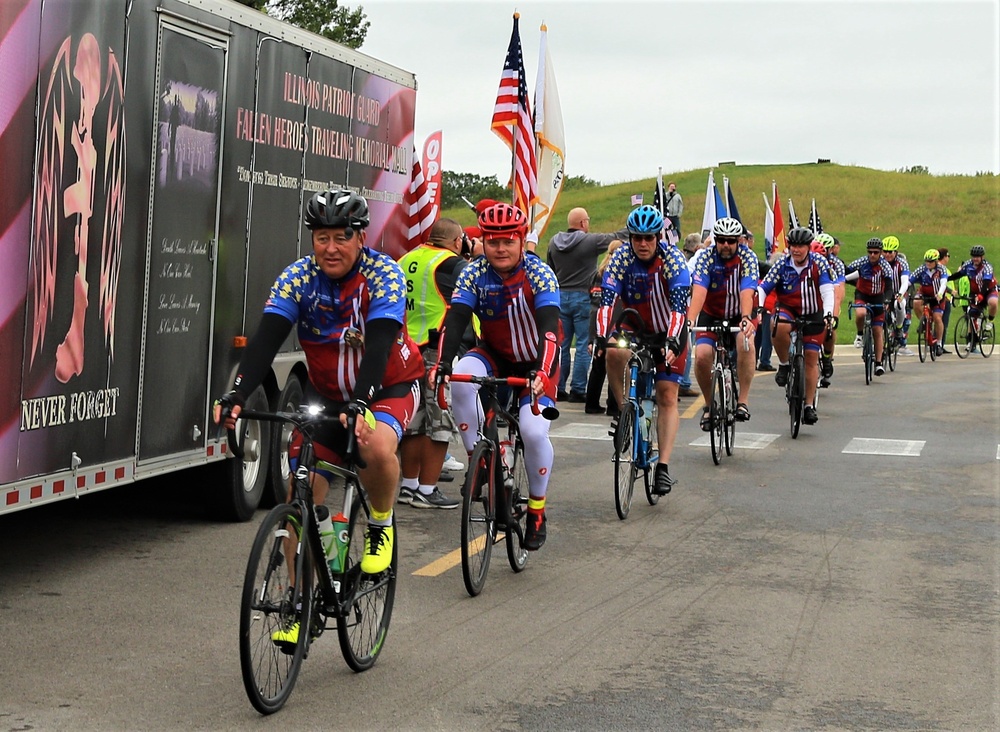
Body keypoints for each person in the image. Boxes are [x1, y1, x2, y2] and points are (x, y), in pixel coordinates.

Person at [214, 189, 424, 586]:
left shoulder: (384, 275)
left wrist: (362, 402)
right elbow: (266, 341)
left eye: (342, 237)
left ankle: (380, 524)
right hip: (327, 396)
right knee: (300, 495)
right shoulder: (298, 278)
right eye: (321, 237)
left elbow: (378, 347)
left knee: (375, 446)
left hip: (388, 388)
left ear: (361, 237)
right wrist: (238, 394)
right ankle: (300, 601)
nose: (331, 248)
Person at [430, 203, 561, 551]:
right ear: (482, 242)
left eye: (508, 241)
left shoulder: (540, 274)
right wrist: (442, 364)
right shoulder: (473, 273)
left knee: (533, 432)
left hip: (537, 361)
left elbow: (550, 330)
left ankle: (536, 508)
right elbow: (454, 321)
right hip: (495, 356)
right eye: (492, 241)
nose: (500, 249)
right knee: (460, 376)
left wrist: (542, 372)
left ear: (521, 241)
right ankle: (480, 459)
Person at [594, 205, 690, 494]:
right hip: (635, 327)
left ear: (658, 237)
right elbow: (607, 302)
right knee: (613, 349)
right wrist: (600, 335)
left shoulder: (672, 259)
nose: (643, 244)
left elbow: (679, 308)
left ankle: (663, 466)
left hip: (668, 331)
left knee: (666, 394)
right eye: (637, 238)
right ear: (631, 238)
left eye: (649, 238)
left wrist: (673, 341)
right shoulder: (621, 257)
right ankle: (625, 413)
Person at [396, 218, 468, 509]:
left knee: (413, 421)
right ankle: (427, 490)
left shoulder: (405, 258)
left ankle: (408, 485)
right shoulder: (452, 264)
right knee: (439, 421)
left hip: (404, 349)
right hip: (435, 350)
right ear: (457, 241)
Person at [546, 207, 627, 402]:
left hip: (560, 296)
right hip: (583, 297)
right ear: (583, 223)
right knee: (583, 344)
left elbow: (550, 269)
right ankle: (578, 389)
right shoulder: (589, 241)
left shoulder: (553, 242)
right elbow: (616, 237)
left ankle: (559, 387)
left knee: (562, 346)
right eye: (587, 221)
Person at [686, 217, 759, 429]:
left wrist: (746, 318)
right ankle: (709, 405)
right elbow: (699, 290)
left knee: (746, 344)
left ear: (738, 241)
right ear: (715, 240)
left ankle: (742, 400)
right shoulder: (705, 257)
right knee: (701, 356)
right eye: (721, 240)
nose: (725, 245)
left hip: (739, 313)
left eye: (730, 240)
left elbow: (747, 290)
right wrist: (690, 319)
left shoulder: (748, 257)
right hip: (711, 313)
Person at [758, 227, 835, 425]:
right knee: (777, 324)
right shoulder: (782, 264)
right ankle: (784, 364)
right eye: (793, 246)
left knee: (810, 358)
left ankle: (809, 405)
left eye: (800, 246)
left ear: (808, 247)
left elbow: (827, 291)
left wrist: (828, 314)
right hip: (788, 309)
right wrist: (759, 307)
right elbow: (764, 287)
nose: (796, 250)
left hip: (813, 312)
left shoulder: (819, 263)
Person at [844, 237, 894, 376]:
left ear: (880, 253)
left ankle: (878, 363)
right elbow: (847, 270)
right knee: (860, 313)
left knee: (877, 330)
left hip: (878, 296)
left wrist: (887, 300)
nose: (872, 255)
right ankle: (860, 335)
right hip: (862, 294)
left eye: (876, 252)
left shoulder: (885, 266)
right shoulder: (862, 261)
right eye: (870, 252)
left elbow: (889, 286)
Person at [585, 240, 623, 415]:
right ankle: (614, 405)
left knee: (598, 365)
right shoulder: (616, 273)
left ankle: (591, 403)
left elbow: (593, 302)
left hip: (598, 320)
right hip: (615, 322)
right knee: (616, 365)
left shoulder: (598, 273)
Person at [677, 233, 704, 398]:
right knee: (686, 347)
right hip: (687, 307)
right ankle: (682, 381)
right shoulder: (692, 262)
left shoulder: (685, 259)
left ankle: (683, 381)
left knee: (688, 347)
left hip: (689, 306)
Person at [817, 233, 846, 386]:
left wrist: (833, 315)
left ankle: (827, 358)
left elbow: (839, 291)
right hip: (813, 300)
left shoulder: (836, 265)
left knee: (830, 329)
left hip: (831, 298)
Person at [909, 249, 950, 356]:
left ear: (936, 261)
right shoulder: (922, 269)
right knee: (916, 302)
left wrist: (940, 294)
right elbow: (910, 280)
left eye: (930, 262)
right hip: (925, 293)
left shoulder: (942, 269)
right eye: (926, 261)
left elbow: (944, 282)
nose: (928, 263)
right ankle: (923, 321)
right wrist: (901, 292)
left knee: (937, 317)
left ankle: (939, 343)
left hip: (938, 295)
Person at [948, 245, 998, 329]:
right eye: (974, 256)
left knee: (993, 302)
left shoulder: (987, 267)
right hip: (974, 291)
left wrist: (981, 295)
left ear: (982, 257)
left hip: (989, 290)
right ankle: (971, 340)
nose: (975, 259)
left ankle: (990, 321)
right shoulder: (968, 264)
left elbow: (986, 282)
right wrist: (947, 279)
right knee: (972, 314)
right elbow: (959, 274)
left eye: (977, 257)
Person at [880, 235, 913, 357]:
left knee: (900, 304)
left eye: (890, 252)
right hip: (883, 293)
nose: (887, 254)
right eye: (885, 252)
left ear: (896, 252)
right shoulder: (879, 262)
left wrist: (900, 293)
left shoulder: (902, 263)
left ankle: (899, 327)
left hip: (898, 292)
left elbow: (905, 281)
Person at [937, 247, 955, 353]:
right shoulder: (942, 268)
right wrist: (951, 292)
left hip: (946, 298)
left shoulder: (943, 268)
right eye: (948, 256)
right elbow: (941, 283)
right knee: (943, 323)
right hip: (945, 299)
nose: (948, 258)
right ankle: (939, 345)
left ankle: (939, 344)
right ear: (944, 257)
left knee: (941, 322)